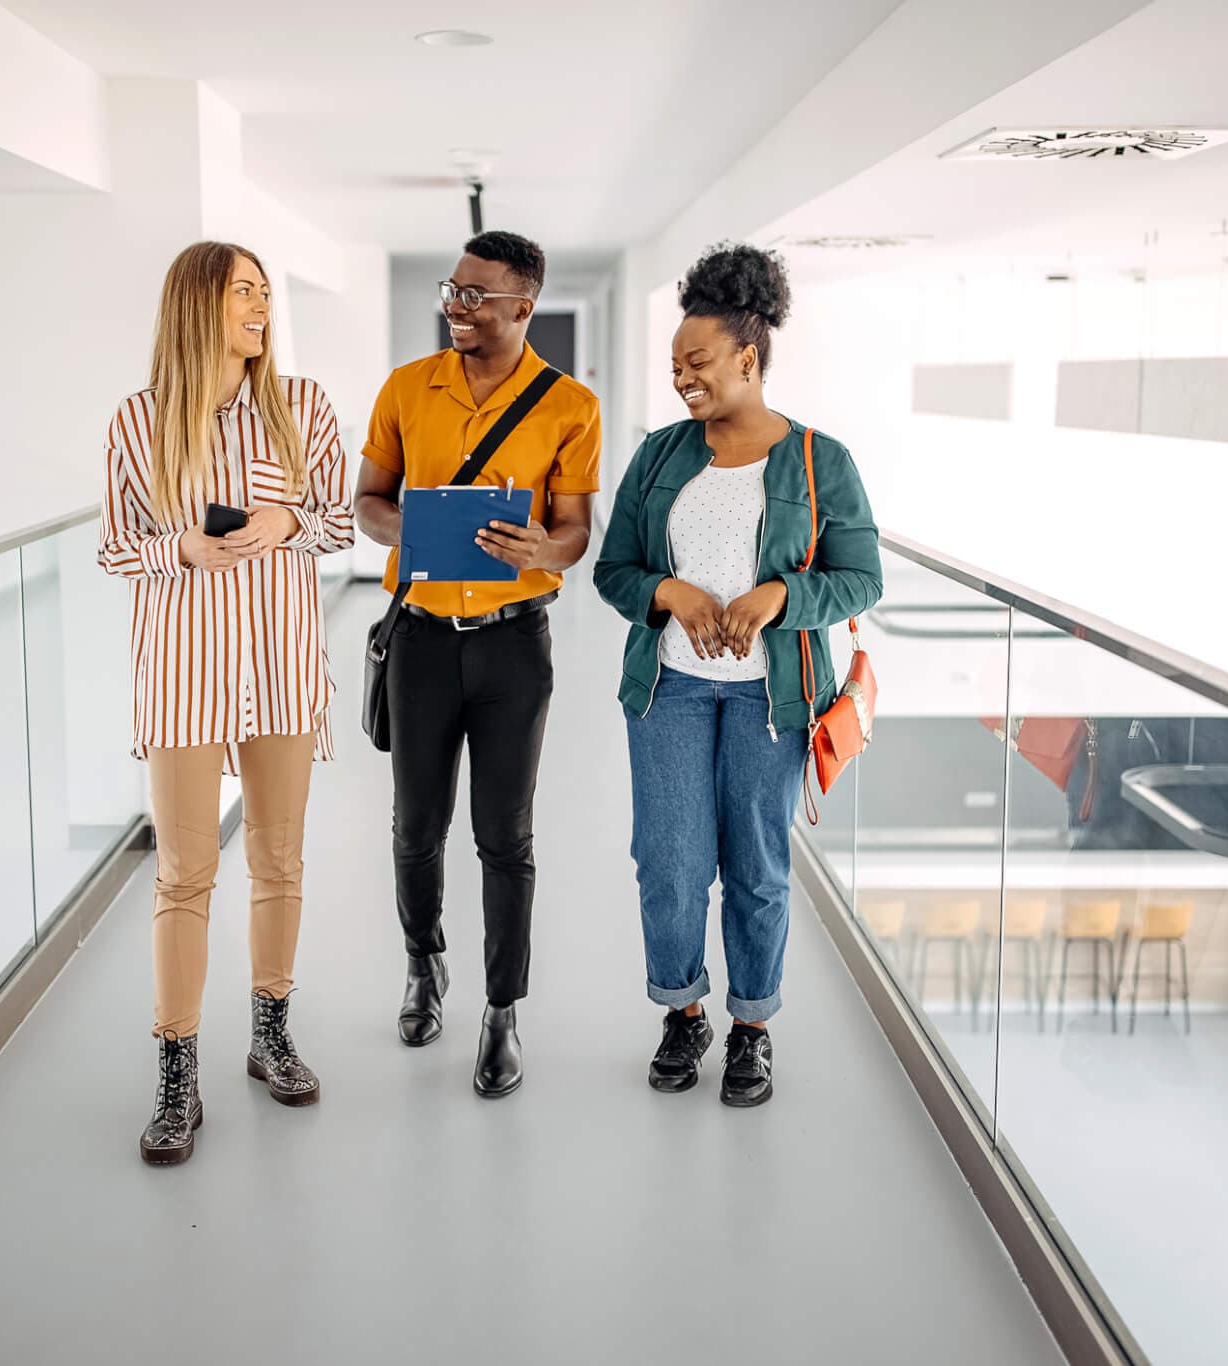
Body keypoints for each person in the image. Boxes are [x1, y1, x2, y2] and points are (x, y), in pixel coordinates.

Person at [592, 242, 882, 1106]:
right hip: (669, 690)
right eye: (676, 363)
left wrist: (776, 599)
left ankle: (752, 1027)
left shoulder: (820, 461)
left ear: (748, 359)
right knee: (670, 863)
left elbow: (860, 577)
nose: (683, 378)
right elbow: (615, 573)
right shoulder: (658, 456)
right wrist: (670, 591)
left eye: (699, 361)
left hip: (772, 697)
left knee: (756, 868)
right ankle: (683, 1015)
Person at [98, 241, 354, 1164]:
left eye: (264, 293)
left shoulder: (303, 410)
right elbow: (115, 545)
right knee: (185, 872)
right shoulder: (140, 421)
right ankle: (176, 1075)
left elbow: (340, 520)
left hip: (281, 667)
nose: (260, 306)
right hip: (185, 673)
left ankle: (270, 1035)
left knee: (279, 859)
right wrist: (182, 551)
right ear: (198, 304)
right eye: (243, 291)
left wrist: (287, 520)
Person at [355, 230, 602, 1098]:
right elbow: (367, 505)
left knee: (506, 837)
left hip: (512, 643)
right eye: (451, 291)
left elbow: (574, 532)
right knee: (415, 829)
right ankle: (425, 967)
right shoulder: (404, 389)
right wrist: (413, 526)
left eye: (475, 295)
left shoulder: (570, 405)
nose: (456, 306)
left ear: (521, 307)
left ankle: (503, 1011)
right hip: (420, 639)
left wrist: (546, 543)